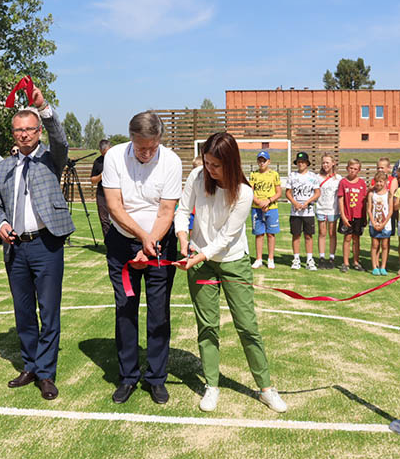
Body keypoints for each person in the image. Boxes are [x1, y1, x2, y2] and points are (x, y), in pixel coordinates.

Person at [174, 132, 287, 413]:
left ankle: (265, 388)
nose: (209, 170)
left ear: (230, 162)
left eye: (215, 165)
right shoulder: (197, 176)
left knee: (247, 326)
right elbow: (182, 210)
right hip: (200, 261)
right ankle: (211, 385)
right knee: (208, 325)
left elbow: (226, 237)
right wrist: (183, 239)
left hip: (233, 262)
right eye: (207, 163)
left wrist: (199, 254)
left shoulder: (245, 192)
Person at [0, 83, 74, 401]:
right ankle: (29, 364)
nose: (24, 135)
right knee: (23, 311)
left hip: (46, 244)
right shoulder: (2, 168)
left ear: (38, 131)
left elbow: (62, 139)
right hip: (15, 247)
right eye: (18, 130)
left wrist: (45, 108)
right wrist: (0, 223)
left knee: (48, 311)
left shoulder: (52, 159)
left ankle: (46, 373)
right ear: (13, 134)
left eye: (29, 129)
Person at [102, 111, 182, 405]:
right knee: (125, 308)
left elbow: (166, 211)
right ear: (130, 137)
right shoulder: (113, 158)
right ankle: (127, 377)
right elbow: (114, 206)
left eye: (153, 147)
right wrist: (140, 236)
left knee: (158, 312)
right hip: (123, 244)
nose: (147, 153)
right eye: (141, 148)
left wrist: (151, 241)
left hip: (160, 245)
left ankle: (156, 378)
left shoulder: (172, 161)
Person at [285, 151, 320, 271]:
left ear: (307, 163)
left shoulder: (312, 176)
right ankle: (296, 259)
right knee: (296, 235)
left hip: (308, 212)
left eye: (303, 162)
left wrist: (307, 202)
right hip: (295, 211)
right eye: (299, 162)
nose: (301, 164)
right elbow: (288, 192)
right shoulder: (292, 176)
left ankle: (309, 259)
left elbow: (317, 192)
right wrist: (295, 203)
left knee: (308, 235)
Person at [250, 151, 281, 269]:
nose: (262, 163)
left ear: (269, 161)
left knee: (271, 234)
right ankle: (258, 259)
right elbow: (250, 191)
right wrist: (259, 202)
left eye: (264, 160)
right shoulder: (253, 174)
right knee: (259, 234)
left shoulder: (274, 174)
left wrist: (268, 201)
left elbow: (278, 192)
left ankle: (270, 258)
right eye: (260, 160)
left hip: (271, 208)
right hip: (257, 208)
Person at [338, 158, 367, 272]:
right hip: (347, 215)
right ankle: (345, 263)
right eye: (351, 168)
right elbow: (341, 199)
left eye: (355, 169)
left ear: (359, 170)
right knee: (347, 238)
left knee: (356, 239)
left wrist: (364, 217)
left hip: (358, 216)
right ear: (347, 168)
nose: (353, 171)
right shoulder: (343, 182)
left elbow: (364, 201)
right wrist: (343, 216)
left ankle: (356, 261)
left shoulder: (362, 183)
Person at [316, 154, 341, 269]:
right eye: (323, 162)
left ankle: (331, 257)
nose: (325, 165)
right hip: (321, 208)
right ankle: (321, 257)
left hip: (333, 210)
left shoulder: (338, 178)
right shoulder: (317, 177)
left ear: (333, 163)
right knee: (322, 233)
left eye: (327, 162)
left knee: (332, 233)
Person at [367, 171, 393, 276]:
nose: (379, 184)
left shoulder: (388, 194)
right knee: (374, 245)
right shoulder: (371, 194)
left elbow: (390, 210)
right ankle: (374, 266)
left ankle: (383, 267)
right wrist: (373, 222)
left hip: (385, 225)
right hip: (374, 224)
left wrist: (383, 223)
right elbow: (369, 209)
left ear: (386, 182)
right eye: (377, 182)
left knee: (385, 245)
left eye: (381, 182)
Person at [90, 139, 112, 237]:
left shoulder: (117, 160)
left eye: (106, 153)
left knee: (118, 219)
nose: (105, 156)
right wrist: (101, 176)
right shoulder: (98, 161)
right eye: (103, 154)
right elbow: (93, 180)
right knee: (104, 220)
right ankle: (108, 243)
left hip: (115, 193)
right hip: (101, 193)